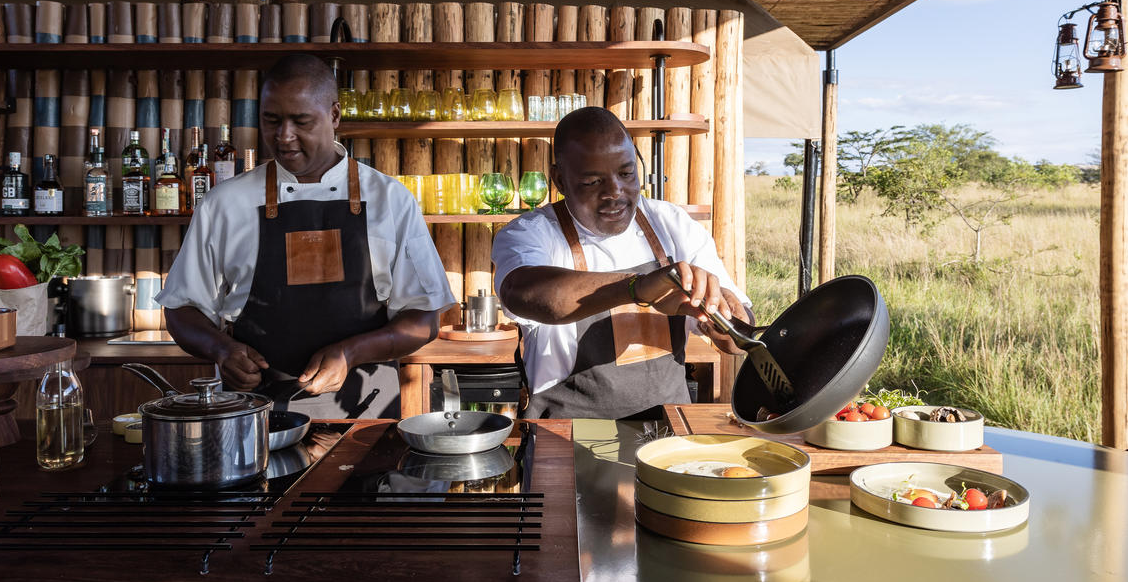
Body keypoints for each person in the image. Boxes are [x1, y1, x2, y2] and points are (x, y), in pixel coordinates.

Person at [157, 54, 455, 419]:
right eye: (271, 120)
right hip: (253, 414)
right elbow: (180, 308)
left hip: (363, 411)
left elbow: (424, 319)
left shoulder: (389, 200)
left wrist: (350, 352)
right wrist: (221, 350)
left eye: (301, 121)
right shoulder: (226, 203)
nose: (284, 136)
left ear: (334, 116)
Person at [491, 106, 753, 419]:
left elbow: (739, 339)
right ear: (559, 180)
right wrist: (639, 287)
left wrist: (722, 323)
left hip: (668, 431)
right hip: (567, 435)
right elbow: (525, 292)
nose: (615, 192)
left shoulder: (670, 224)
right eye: (592, 182)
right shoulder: (530, 234)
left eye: (626, 174)